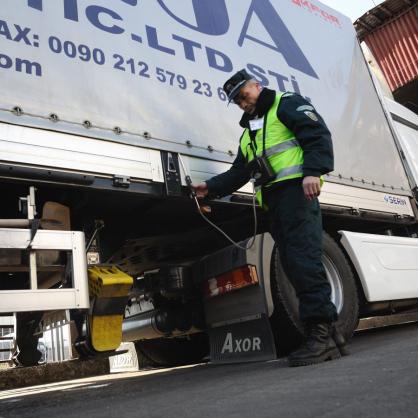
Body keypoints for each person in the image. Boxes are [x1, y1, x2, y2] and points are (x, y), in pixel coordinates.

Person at [193, 69, 343, 367]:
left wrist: (313, 172)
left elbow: (316, 134)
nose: (241, 102)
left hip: (297, 194)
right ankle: (328, 333)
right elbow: (240, 172)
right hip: (274, 203)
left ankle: (320, 336)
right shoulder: (249, 132)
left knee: (304, 261)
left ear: (256, 85)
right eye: (236, 100)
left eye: (243, 95)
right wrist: (209, 188)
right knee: (293, 264)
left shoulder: (286, 104)